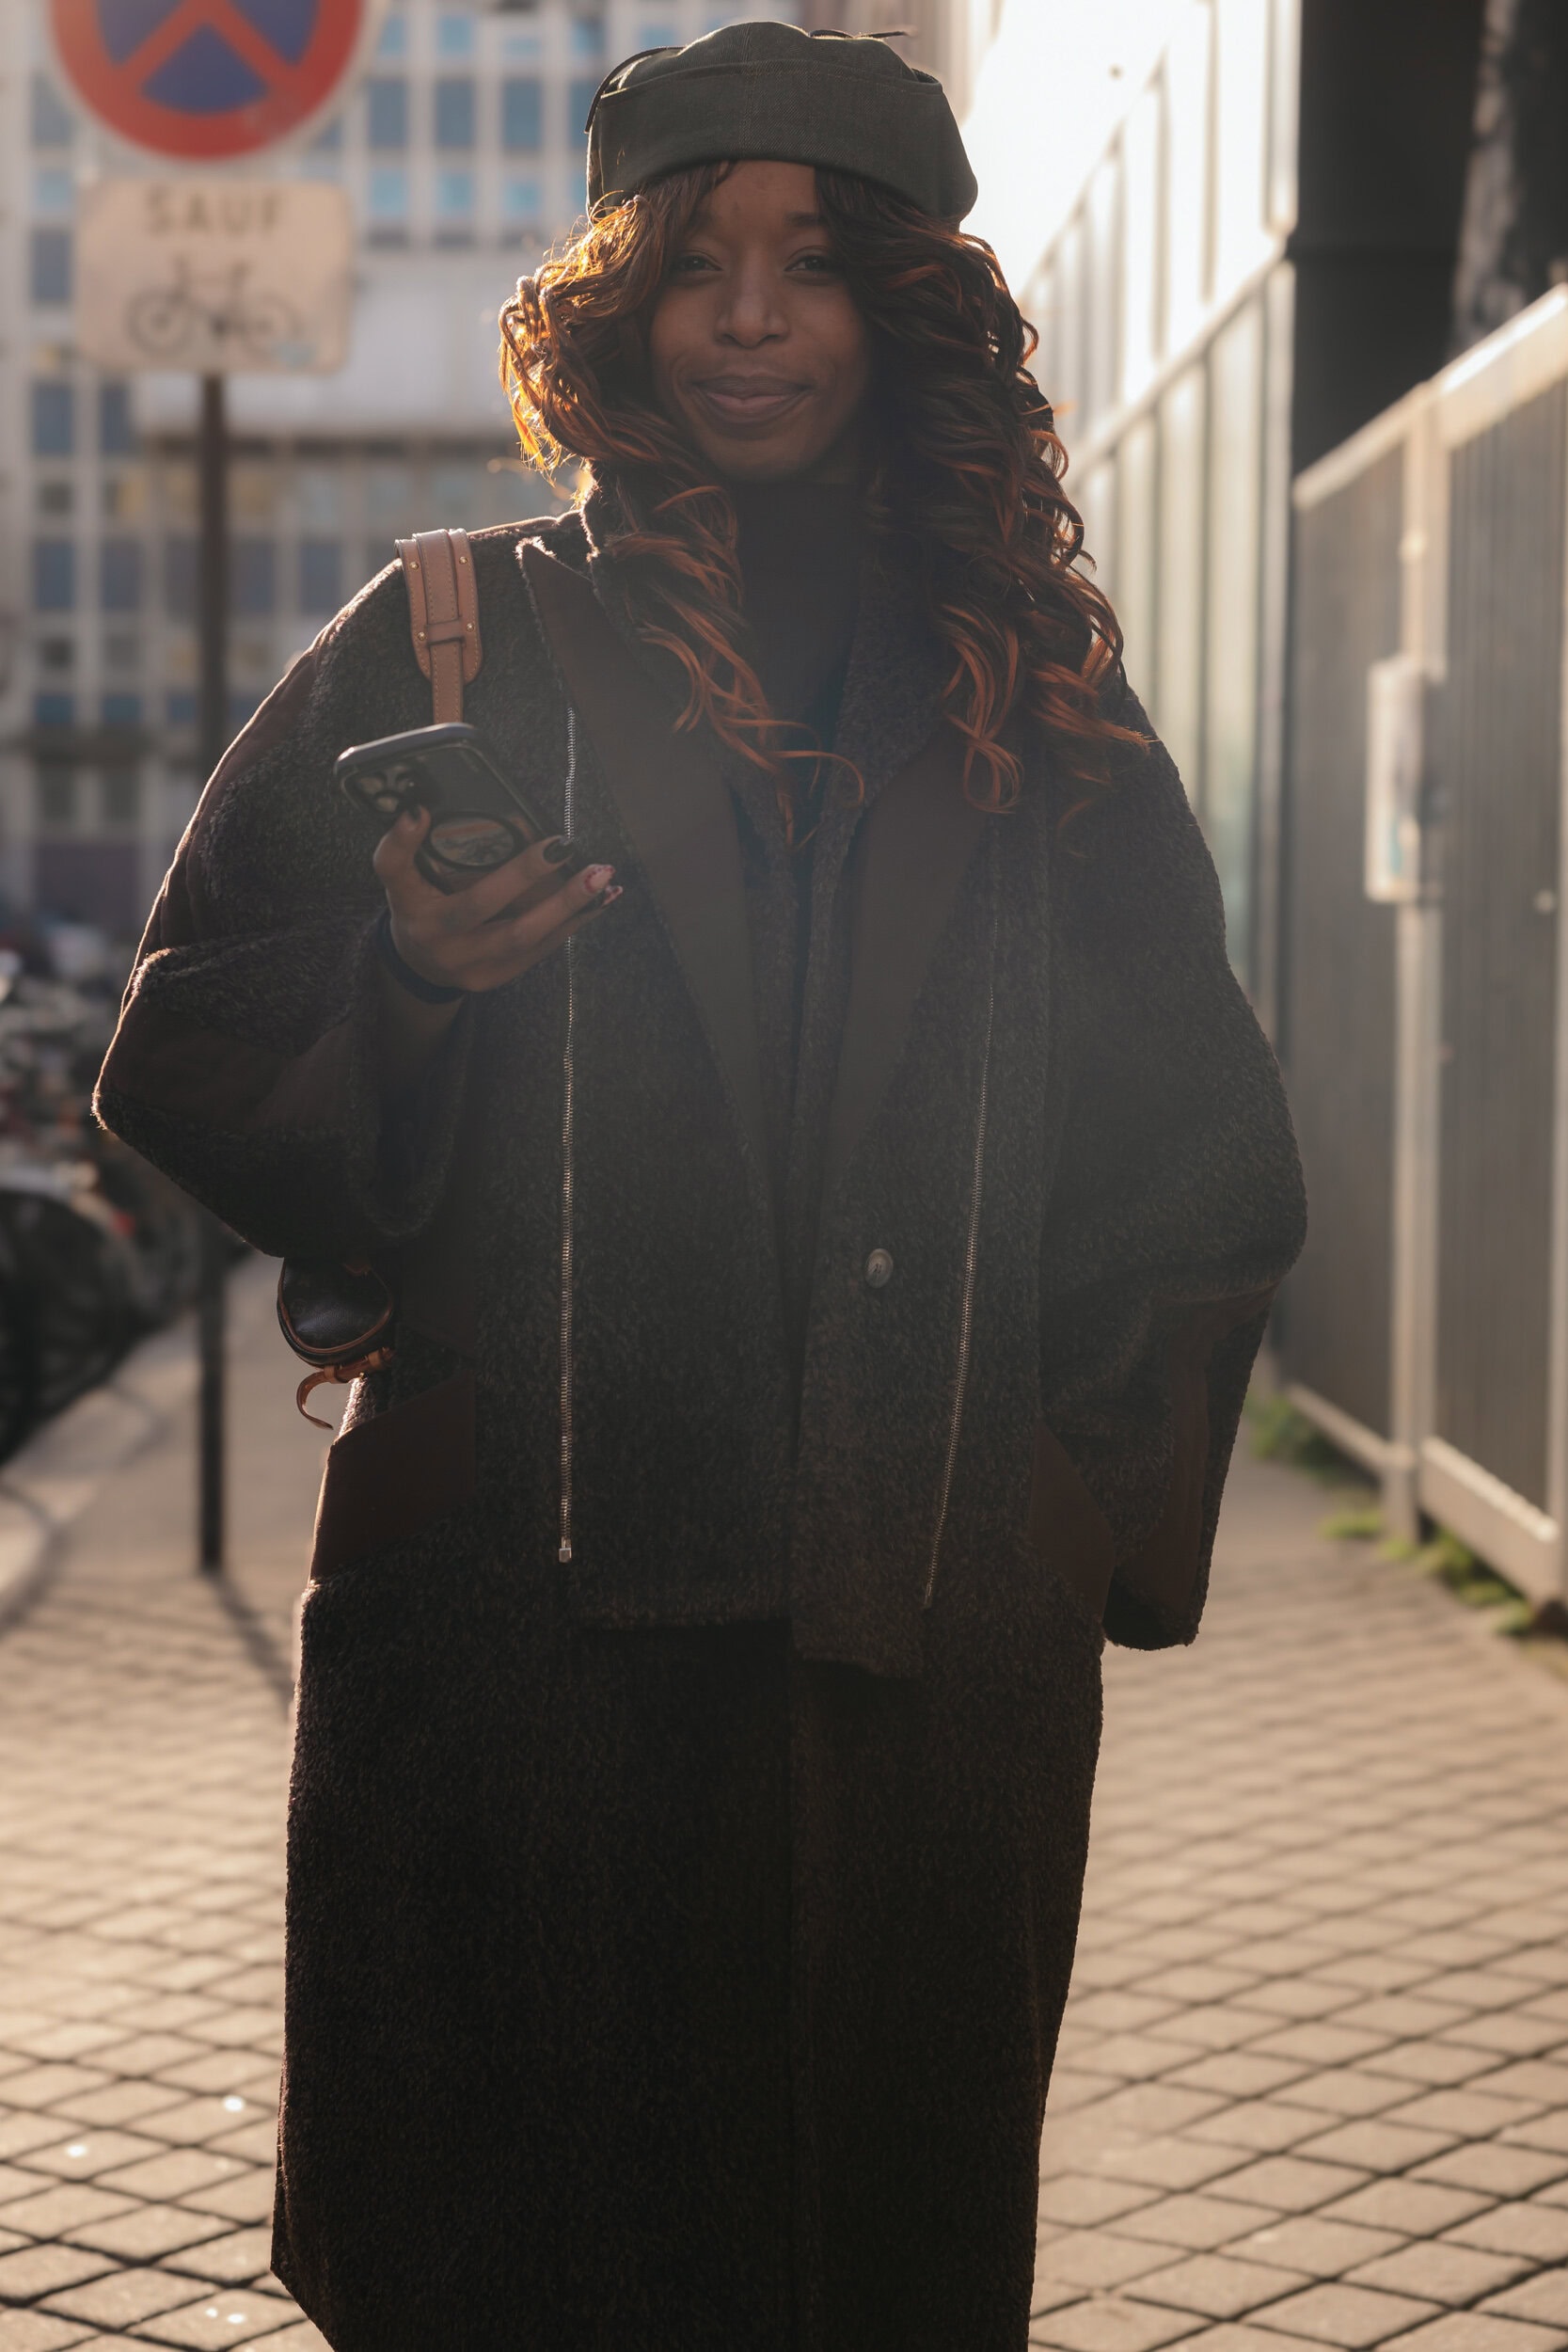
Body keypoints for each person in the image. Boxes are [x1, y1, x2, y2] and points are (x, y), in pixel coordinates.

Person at [97, 24, 1306, 2350]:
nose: (751, 316)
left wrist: (1053, 1523)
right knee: (515, 2254)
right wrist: (410, 981)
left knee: (871, 2253)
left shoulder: (1036, 703)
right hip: (517, 1661)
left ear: (909, 310)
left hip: (914, 1680)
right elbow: (189, 1048)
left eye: (817, 262)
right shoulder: (451, 636)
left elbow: (1204, 1166)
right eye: (695, 262)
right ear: (619, 302)